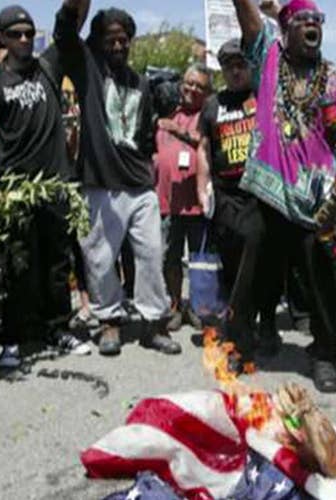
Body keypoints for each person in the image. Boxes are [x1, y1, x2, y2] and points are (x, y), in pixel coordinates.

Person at [230, 0, 336, 392]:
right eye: (303, 21)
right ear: (286, 29)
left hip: (314, 200)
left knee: (318, 273)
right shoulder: (269, 60)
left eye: (317, 22)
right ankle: (242, 340)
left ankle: (326, 353)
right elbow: (250, 20)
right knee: (254, 266)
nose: (312, 27)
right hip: (270, 188)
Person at [48, 0, 180, 357]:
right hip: (101, 184)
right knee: (101, 259)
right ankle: (110, 322)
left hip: (140, 186)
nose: (118, 46)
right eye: (111, 39)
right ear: (98, 42)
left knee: (152, 254)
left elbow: (145, 133)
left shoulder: (141, 82)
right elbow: (65, 27)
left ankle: (154, 323)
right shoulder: (87, 67)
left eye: (124, 39)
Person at [0, 5, 90, 368]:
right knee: (16, 266)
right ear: (1, 39)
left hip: (54, 184)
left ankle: (57, 329)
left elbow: (71, 22)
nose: (24, 40)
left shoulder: (49, 67)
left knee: (57, 264)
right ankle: (14, 338)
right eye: (15, 34)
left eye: (28, 33)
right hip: (15, 189)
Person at [196, 39, 277, 361]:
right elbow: (203, 149)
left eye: (241, 64)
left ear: (251, 66)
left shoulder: (265, 98)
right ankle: (246, 330)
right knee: (233, 269)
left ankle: (253, 332)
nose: (235, 70)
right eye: (229, 65)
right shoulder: (212, 106)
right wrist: (203, 190)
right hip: (227, 198)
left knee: (261, 266)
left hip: (261, 196)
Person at [155, 64, 212, 332]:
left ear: (208, 91)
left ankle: (199, 308)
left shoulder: (208, 116)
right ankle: (176, 304)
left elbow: (204, 143)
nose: (192, 89)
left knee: (201, 261)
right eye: (189, 83)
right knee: (170, 258)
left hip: (198, 204)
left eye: (200, 86)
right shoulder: (167, 112)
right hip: (168, 203)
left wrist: (178, 132)